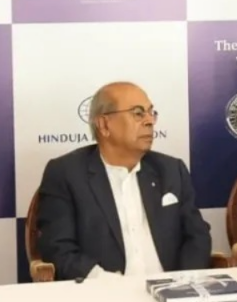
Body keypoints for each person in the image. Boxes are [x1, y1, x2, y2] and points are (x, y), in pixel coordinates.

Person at [36, 82, 211, 281]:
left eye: (151, 113)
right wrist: (107, 283)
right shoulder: (66, 173)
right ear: (104, 125)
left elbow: (197, 236)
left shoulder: (171, 170)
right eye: (138, 113)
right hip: (104, 292)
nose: (149, 121)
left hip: (172, 290)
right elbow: (58, 248)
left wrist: (183, 282)